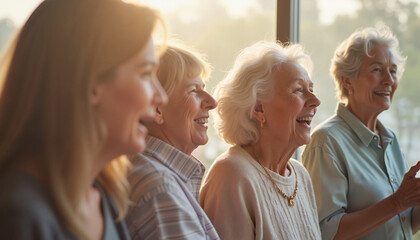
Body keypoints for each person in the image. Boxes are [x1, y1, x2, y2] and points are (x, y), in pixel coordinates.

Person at [0, 0, 167, 239]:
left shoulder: (102, 199)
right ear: (89, 82)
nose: (161, 96)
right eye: (146, 73)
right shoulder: (17, 217)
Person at [302, 25, 420, 240]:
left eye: (392, 71)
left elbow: (400, 226)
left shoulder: (391, 140)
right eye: (377, 69)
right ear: (347, 80)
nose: (388, 80)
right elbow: (326, 232)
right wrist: (397, 202)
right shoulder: (326, 141)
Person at [199, 40, 322, 240]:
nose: (315, 100)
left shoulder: (300, 174)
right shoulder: (232, 174)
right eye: (298, 90)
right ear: (259, 109)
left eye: (311, 88)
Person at [125, 43, 219, 240]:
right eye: (194, 90)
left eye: (204, 88)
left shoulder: (160, 176)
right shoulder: (160, 187)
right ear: (157, 107)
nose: (212, 102)